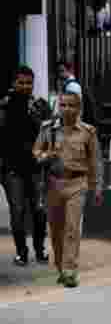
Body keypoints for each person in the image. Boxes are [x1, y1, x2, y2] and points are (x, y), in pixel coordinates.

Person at [33, 93, 102, 288]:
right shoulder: (48, 129)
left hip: (77, 184)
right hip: (54, 184)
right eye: (62, 105)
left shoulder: (88, 132)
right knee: (56, 229)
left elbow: (95, 161)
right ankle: (60, 267)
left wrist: (97, 186)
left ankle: (70, 269)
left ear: (78, 109)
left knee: (72, 227)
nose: (66, 109)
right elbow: (36, 153)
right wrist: (47, 155)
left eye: (71, 105)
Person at [0, 66, 52, 266]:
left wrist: (37, 118)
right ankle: (21, 252)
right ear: (13, 83)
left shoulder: (40, 106)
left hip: (35, 167)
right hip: (12, 169)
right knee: (17, 212)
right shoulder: (4, 106)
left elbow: (49, 134)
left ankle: (40, 250)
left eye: (28, 83)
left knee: (39, 211)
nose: (24, 86)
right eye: (20, 82)